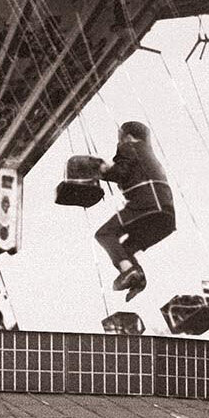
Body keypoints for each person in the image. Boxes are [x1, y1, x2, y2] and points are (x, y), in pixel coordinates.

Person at [90, 122, 176, 299]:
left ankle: (130, 272)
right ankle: (137, 279)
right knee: (125, 250)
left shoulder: (129, 147)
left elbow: (121, 172)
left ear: (127, 136)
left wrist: (102, 170)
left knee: (104, 234)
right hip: (166, 216)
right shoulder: (147, 153)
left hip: (146, 205)